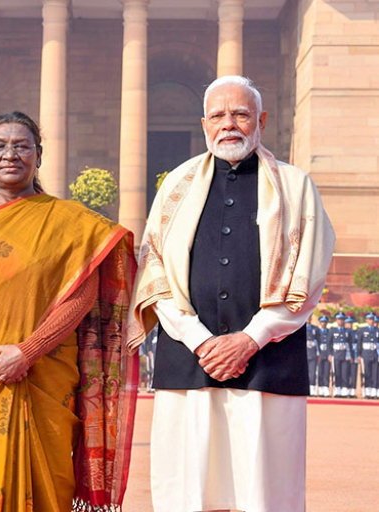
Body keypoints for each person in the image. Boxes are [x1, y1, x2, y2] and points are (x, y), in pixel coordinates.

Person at [128, 76, 335, 512]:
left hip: (267, 364)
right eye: (218, 116)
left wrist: (249, 339)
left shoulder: (296, 189)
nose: (229, 125)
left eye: (240, 114)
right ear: (204, 123)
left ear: (260, 120)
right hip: (189, 362)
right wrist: (201, 340)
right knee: (189, 491)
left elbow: (307, 275)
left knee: (264, 492)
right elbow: (155, 270)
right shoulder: (175, 188)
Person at [0, 111, 138, 511]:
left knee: (48, 486)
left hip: (45, 375)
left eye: (22, 145)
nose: (10, 154)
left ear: (39, 156)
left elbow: (81, 296)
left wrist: (28, 351)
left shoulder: (70, 223)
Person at [330, 311, 352, 397]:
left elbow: (350, 343)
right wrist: (330, 354)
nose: (341, 321)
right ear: (336, 320)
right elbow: (329, 343)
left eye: (342, 319)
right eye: (339, 319)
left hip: (345, 354)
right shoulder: (332, 330)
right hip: (336, 354)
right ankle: (337, 391)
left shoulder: (347, 331)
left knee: (345, 373)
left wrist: (351, 356)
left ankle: (344, 391)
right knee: (337, 373)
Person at [357, 313, 379, 398]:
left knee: (375, 373)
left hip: (375, 353)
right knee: (367, 372)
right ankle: (367, 391)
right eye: (369, 319)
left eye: (372, 319)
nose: (371, 321)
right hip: (366, 353)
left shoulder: (377, 330)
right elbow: (359, 343)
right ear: (366, 320)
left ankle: (375, 392)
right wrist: (358, 354)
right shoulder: (362, 330)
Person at [317, 315, 332, 396]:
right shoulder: (317, 331)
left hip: (327, 354)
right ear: (319, 323)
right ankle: (321, 388)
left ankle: (326, 388)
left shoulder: (329, 332)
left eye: (325, 322)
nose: (323, 323)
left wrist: (330, 354)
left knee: (326, 372)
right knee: (320, 372)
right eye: (322, 322)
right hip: (320, 354)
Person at [306, 316, 320, 396]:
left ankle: (313, 390)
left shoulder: (315, 329)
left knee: (313, 373)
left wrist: (319, 354)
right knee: (304, 373)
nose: (308, 319)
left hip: (313, 354)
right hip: (304, 354)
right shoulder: (301, 328)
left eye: (309, 318)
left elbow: (319, 341)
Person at [345, 316, 359, 397]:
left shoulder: (356, 332)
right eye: (348, 323)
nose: (349, 325)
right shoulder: (344, 332)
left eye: (350, 323)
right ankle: (346, 391)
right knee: (346, 374)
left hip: (355, 355)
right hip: (346, 356)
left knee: (354, 374)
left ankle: (353, 391)